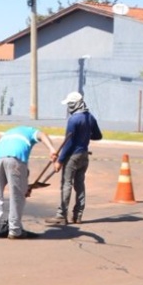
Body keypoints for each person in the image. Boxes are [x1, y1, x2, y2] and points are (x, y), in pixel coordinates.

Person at [0, 126, 58, 239]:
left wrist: (24, 186)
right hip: (16, 159)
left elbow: (22, 174)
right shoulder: (31, 132)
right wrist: (52, 149)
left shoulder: (9, 132)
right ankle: (15, 230)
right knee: (16, 196)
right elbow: (43, 135)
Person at [46, 91, 103, 225]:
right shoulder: (90, 117)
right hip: (84, 155)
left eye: (69, 104)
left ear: (74, 105)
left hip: (73, 157)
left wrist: (60, 161)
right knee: (80, 185)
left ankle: (61, 216)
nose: (68, 107)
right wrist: (84, 137)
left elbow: (68, 143)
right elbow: (98, 136)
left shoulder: (73, 120)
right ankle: (78, 215)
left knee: (66, 184)